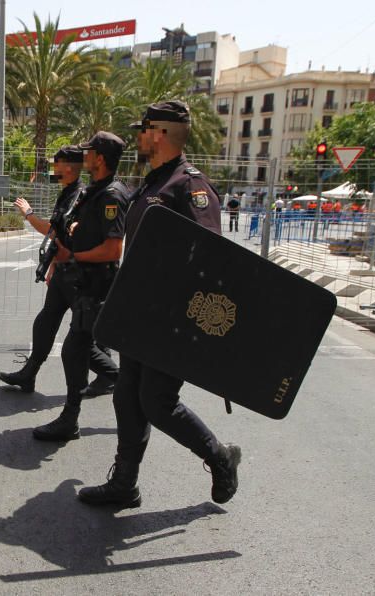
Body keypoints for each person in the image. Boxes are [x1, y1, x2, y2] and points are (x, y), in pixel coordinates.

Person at [78, 100, 241, 510]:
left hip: (172, 318)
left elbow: (211, 257)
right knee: (127, 397)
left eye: (143, 129)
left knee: (157, 401)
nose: (137, 137)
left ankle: (220, 457)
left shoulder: (189, 187)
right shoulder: (153, 184)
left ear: (160, 133)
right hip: (141, 314)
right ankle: (124, 484)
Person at [30, 133, 130, 442]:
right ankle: (72, 415)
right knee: (77, 347)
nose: (83, 155)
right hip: (80, 279)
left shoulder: (112, 195)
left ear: (99, 158)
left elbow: (113, 249)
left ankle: (80, 413)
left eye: (88, 151)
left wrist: (72, 254)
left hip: (97, 283)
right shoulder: (93, 191)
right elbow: (83, 228)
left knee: (78, 348)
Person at [0, 145, 119, 398]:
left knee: (82, 339)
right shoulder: (68, 193)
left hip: (80, 274)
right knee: (46, 321)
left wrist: (29, 215)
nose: (53, 168)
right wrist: (53, 265)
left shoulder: (80, 194)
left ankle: (119, 379)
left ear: (68, 167)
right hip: (65, 270)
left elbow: (57, 232)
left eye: (56, 164)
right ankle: (29, 374)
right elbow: (60, 234)